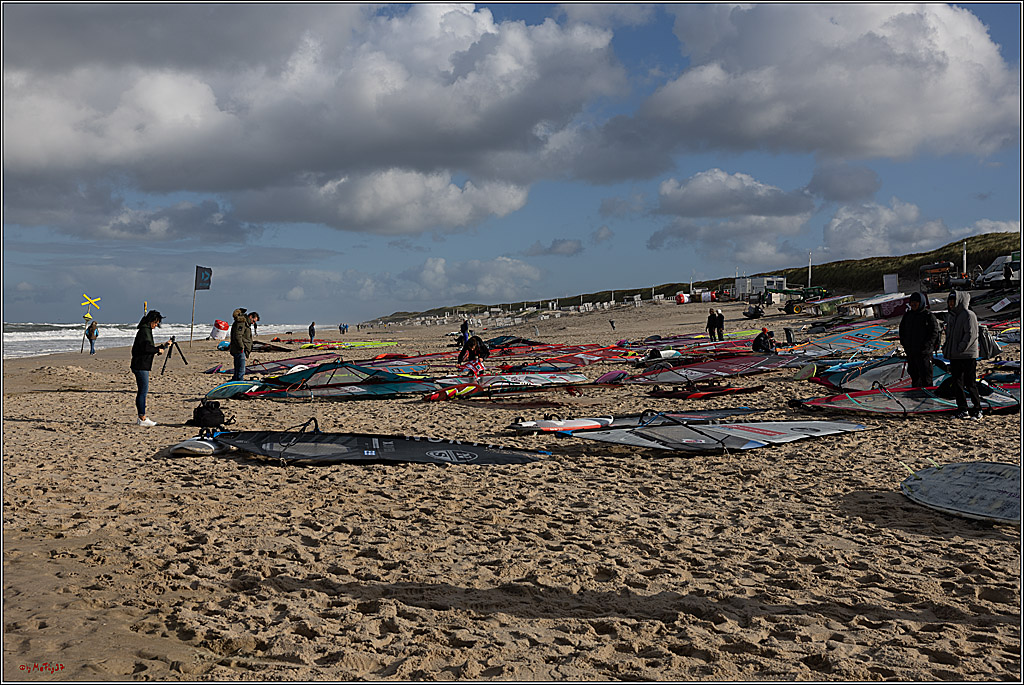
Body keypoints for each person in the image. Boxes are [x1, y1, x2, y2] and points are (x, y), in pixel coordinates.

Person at [942, 291, 983, 420]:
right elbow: (949, 336)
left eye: (953, 301)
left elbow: (970, 335)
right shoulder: (952, 316)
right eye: (949, 302)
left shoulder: (969, 315)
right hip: (955, 355)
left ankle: (977, 409)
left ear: (959, 301)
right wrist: (947, 348)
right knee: (957, 383)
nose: (951, 304)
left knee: (970, 383)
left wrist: (960, 348)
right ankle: (962, 409)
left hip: (967, 355)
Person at [130, 310, 171, 426]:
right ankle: (142, 418)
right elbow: (146, 348)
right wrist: (158, 350)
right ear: (151, 321)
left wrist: (163, 346)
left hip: (141, 364)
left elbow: (147, 348)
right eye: (156, 322)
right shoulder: (144, 331)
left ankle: (141, 417)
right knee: (143, 391)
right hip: (140, 365)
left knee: (142, 391)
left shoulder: (145, 330)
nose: (156, 325)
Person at [898, 292, 940, 388]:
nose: (913, 304)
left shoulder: (928, 316)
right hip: (911, 353)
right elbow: (902, 330)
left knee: (926, 378)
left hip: (924, 354)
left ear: (921, 303)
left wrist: (927, 346)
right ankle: (915, 396)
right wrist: (905, 344)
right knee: (914, 376)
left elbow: (934, 333)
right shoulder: (908, 316)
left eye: (916, 302)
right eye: (912, 302)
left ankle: (928, 397)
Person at [228, 308, 259, 381]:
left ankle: (236, 381)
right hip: (239, 349)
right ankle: (239, 382)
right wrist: (242, 347)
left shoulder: (245, 323)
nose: (253, 323)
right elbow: (238, 336)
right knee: (241, 369)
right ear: (251, 316)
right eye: (253, 321)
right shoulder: (242, 322)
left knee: (238, 368)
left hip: (240, 349)